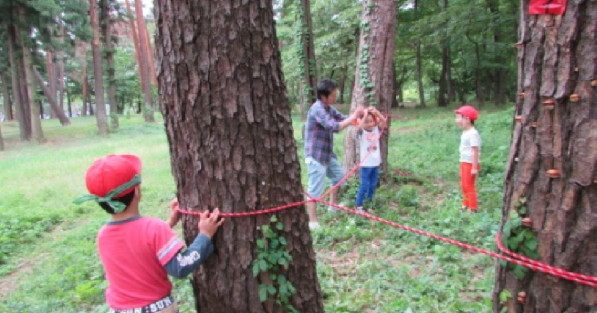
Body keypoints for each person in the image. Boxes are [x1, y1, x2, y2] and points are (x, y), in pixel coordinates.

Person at [74, 154, 224, 313]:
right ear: (137, 191)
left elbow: (138, 245)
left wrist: (170, 223)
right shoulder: (154, 229)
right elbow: (180, 267)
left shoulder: (103, 235)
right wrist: (204, 236)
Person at [304, 79, 364, 230]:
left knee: (338, 177)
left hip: (327, 154)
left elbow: (343, 119)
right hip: (315, 156)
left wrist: (360, 117)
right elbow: (335, 127)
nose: (335, 97)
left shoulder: (328, 108)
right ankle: (312, 221)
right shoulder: (317, 109)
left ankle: (333, 205)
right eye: (332, 95)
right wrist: (352, 118)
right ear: (323, 96)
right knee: (315, 190)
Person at [354, 107, 387, 213]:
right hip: (366, 164)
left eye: (371, 121)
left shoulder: (376, 129)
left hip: (375, 163)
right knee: (364, 185)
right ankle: (358, 205)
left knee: (373, 184)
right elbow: (358, 127)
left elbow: (384, 122)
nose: (369, 124)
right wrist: (364, 115)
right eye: (366, 122)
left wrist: (376, 112)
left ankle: (369, 203)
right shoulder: (361, 132)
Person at [454, 105, 481, 212]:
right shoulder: (466, 132)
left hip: (470, 163)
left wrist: (474, 167)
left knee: (469, 186)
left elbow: (475, 151)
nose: (456, 121)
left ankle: (473, 208)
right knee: (464, 185)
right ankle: (465, 204)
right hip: (464, 162)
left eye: (458, 118)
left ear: (467, 119)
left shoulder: (473, 133)